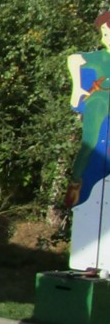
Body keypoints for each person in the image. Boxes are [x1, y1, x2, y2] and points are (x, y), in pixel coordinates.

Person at [65, 11, 110, 208]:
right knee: (90, 142)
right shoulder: (101, 57)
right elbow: (73, 59)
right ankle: (76, 182)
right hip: (99, 100)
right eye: (104, 33)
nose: (104, 38)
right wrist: (77, 89)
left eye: (107, 33)